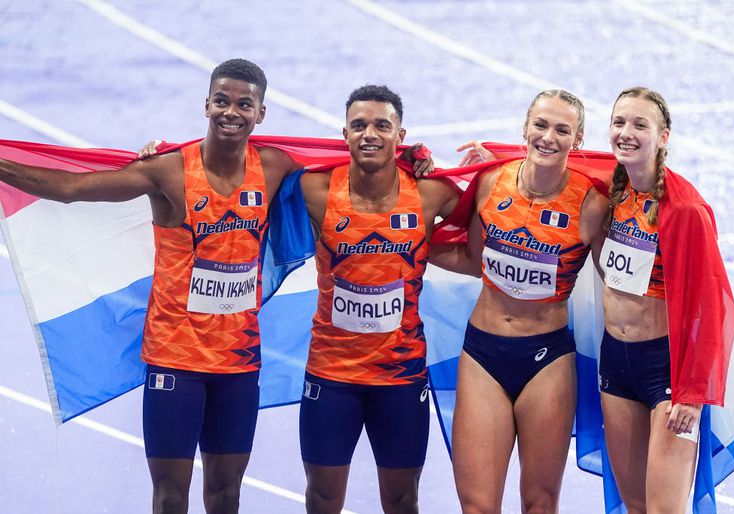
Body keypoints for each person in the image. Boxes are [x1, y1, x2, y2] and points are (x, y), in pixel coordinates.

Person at [0, 58, 310, 514]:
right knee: (170, 498)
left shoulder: (274, 165)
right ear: (206, 104)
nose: (231, 112)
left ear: (260, 114)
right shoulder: (167, 171)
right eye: (221, 100)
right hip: (175, 361)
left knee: (226, 496)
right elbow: (71, 188)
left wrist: (407, 157)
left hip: (238, 363)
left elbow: (348, 164)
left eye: (244, 104)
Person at [298, 85, 459, 514]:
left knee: (403, 500)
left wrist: (443, 166)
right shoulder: (314, 189)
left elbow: (494, 213)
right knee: (323, 498)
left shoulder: (430, 193)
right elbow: (251, 167)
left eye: (381, 126)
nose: (370, 133)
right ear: (344, 134)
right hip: (332, 373)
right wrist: (166, 151)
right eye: (359, 125)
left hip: (400, 376)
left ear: (400, 135)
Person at [449, 90, 607, 513]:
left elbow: (619, 281)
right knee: (477, 506)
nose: (548, 137)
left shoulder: (592, 206)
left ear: (578, 139)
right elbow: (472, 258)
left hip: (547, 361)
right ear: (525, 128)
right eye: (541, 125)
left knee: (539, 503)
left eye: (562, 129)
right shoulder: (489, 183)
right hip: (483, 353)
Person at [597, 86, 704, 513]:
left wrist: (693, 391)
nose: (627, 132)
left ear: (663, 137)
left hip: (667, 370)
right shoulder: (611, 188)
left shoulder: (685, 209)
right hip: (615, 363)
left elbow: (707, 307)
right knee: (636, 505)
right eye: (619, 122)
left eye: (640, 124)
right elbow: (552, 157)